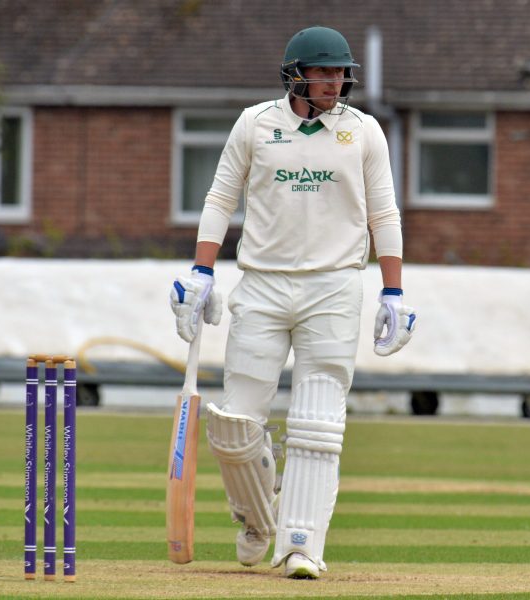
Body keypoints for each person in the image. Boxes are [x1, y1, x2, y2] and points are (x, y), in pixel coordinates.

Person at [169, 26, 416, 579]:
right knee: (234, 424)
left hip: (333, 285)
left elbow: (385, 215)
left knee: (317, 421)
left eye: (340, 73)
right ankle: (257, 520)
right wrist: (201, 272)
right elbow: (219, 198)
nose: (334, 83)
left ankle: (301, 545)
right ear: (296, 74)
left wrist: (394, 292)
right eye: (324, 73)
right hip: (262, 284)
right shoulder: (255, 124)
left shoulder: (364, 132)